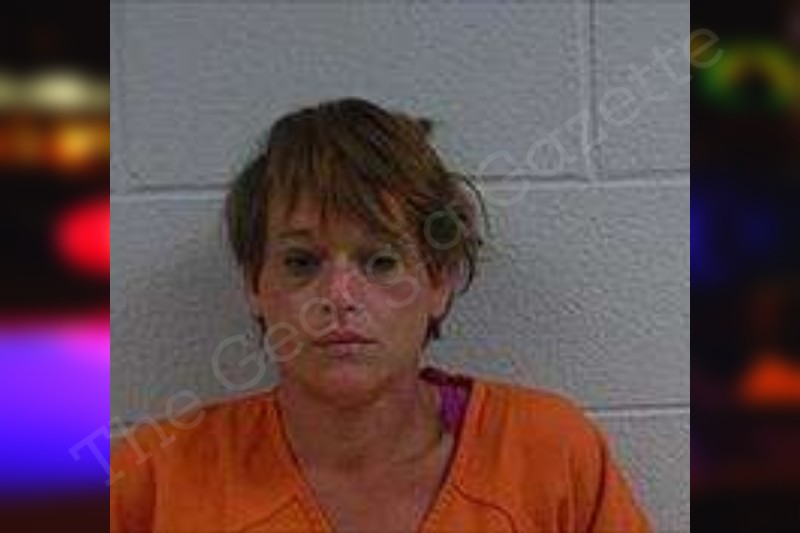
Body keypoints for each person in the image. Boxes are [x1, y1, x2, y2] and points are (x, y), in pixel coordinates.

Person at [111, 98, 651, 532]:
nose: (339, 296)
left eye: (381, 261)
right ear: (255, 285)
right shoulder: (153, 479)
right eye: (301, 262)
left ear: (438, 282)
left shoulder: (548, 455)